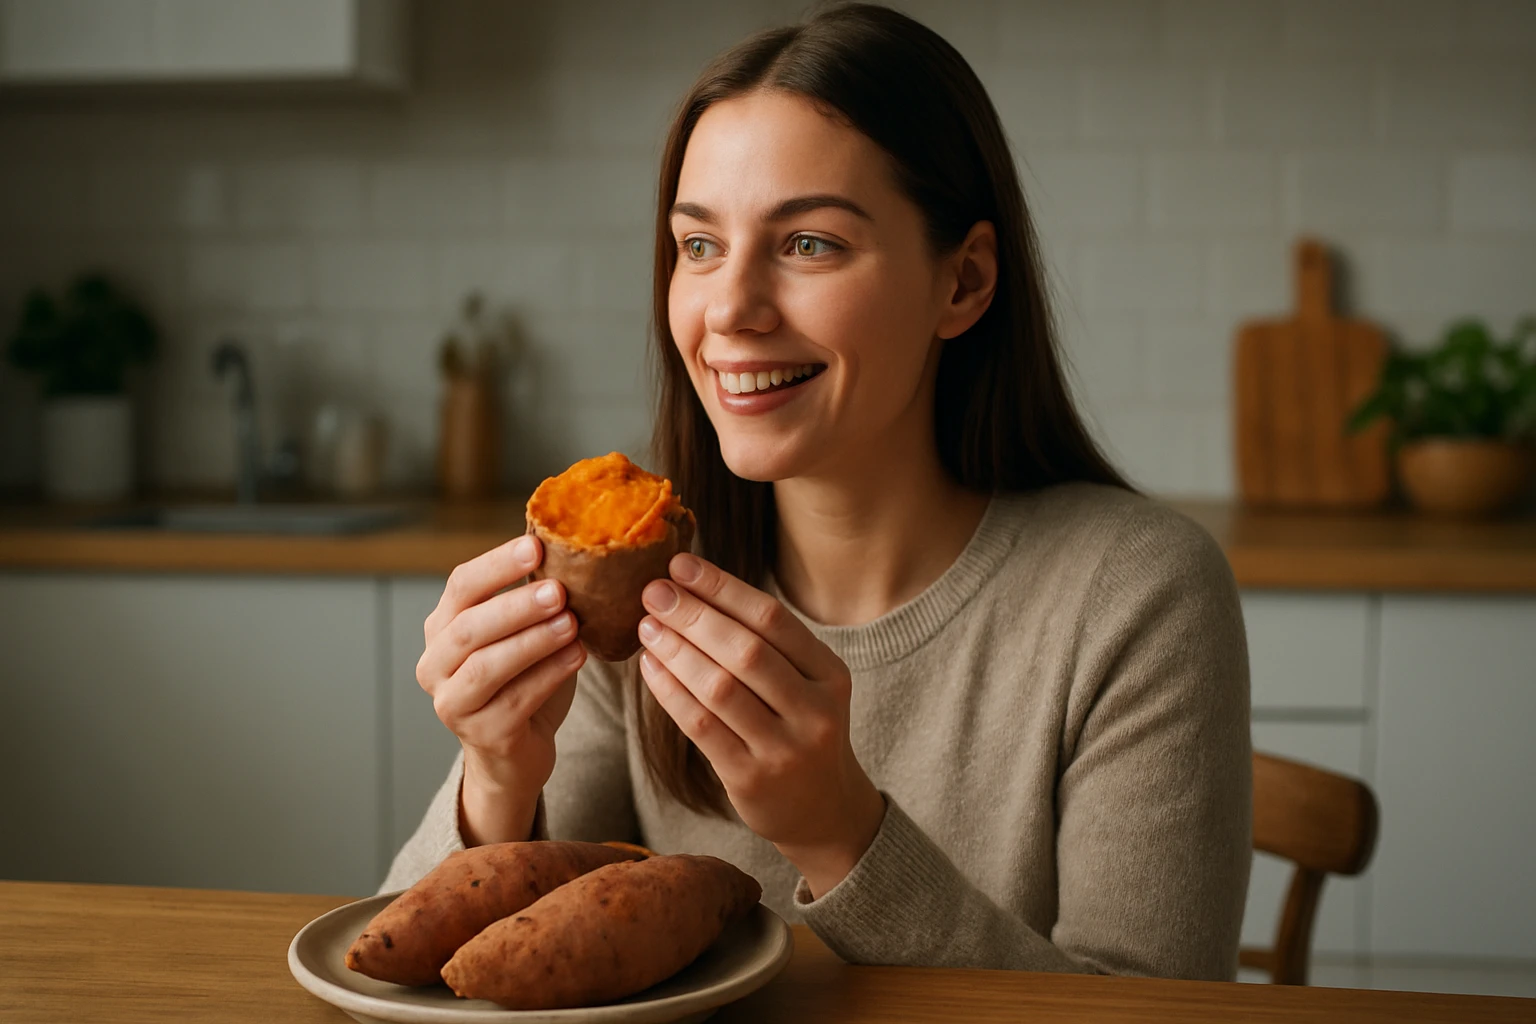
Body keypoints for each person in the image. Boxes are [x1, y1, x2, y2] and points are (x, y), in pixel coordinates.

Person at [385, 2, 1251, 979]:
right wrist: (497, 774)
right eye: (699, 245)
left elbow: (1153, 1010)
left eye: (809, 245)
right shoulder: (629, 583)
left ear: (962, 282)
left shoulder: (1140, 596)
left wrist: (844, 835)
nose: (730, 309)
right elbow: (436, 969)